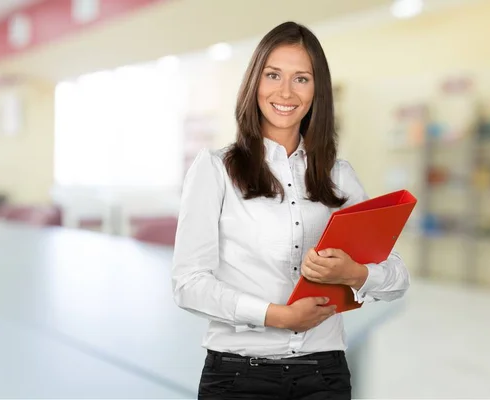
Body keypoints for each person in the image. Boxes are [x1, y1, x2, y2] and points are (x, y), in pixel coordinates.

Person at [171, 21, 410, 400]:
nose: (285, 91)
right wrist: (276, 316)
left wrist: (355, 272)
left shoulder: (339, 176)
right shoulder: (215, 169)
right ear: (255, 83)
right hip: (238, 376)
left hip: (324, 375)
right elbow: (188, 285)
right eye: (273, 75)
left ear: (317, 91)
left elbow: (397, 279)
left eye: (301, 79)